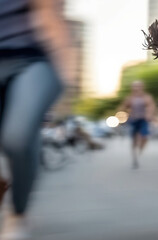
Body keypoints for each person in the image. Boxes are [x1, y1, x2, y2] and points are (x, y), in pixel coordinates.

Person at [0, 0, 76, 238]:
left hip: (33, 58)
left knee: (18, 137)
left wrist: (66, 67)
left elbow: (50, 11)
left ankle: (18, 214)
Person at [120, 81, 155, 168]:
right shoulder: (130, 98)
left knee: (144, 137)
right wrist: (123, 116)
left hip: (143, 120)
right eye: (135, 86)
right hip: (133, 119)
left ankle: (140, 150)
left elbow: (151, 107)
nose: (136, 88)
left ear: (142, 87)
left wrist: (149, 115)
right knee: (134, 139)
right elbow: (123, 108)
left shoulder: (146, 97)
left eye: (138, 86)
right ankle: (135, 158)